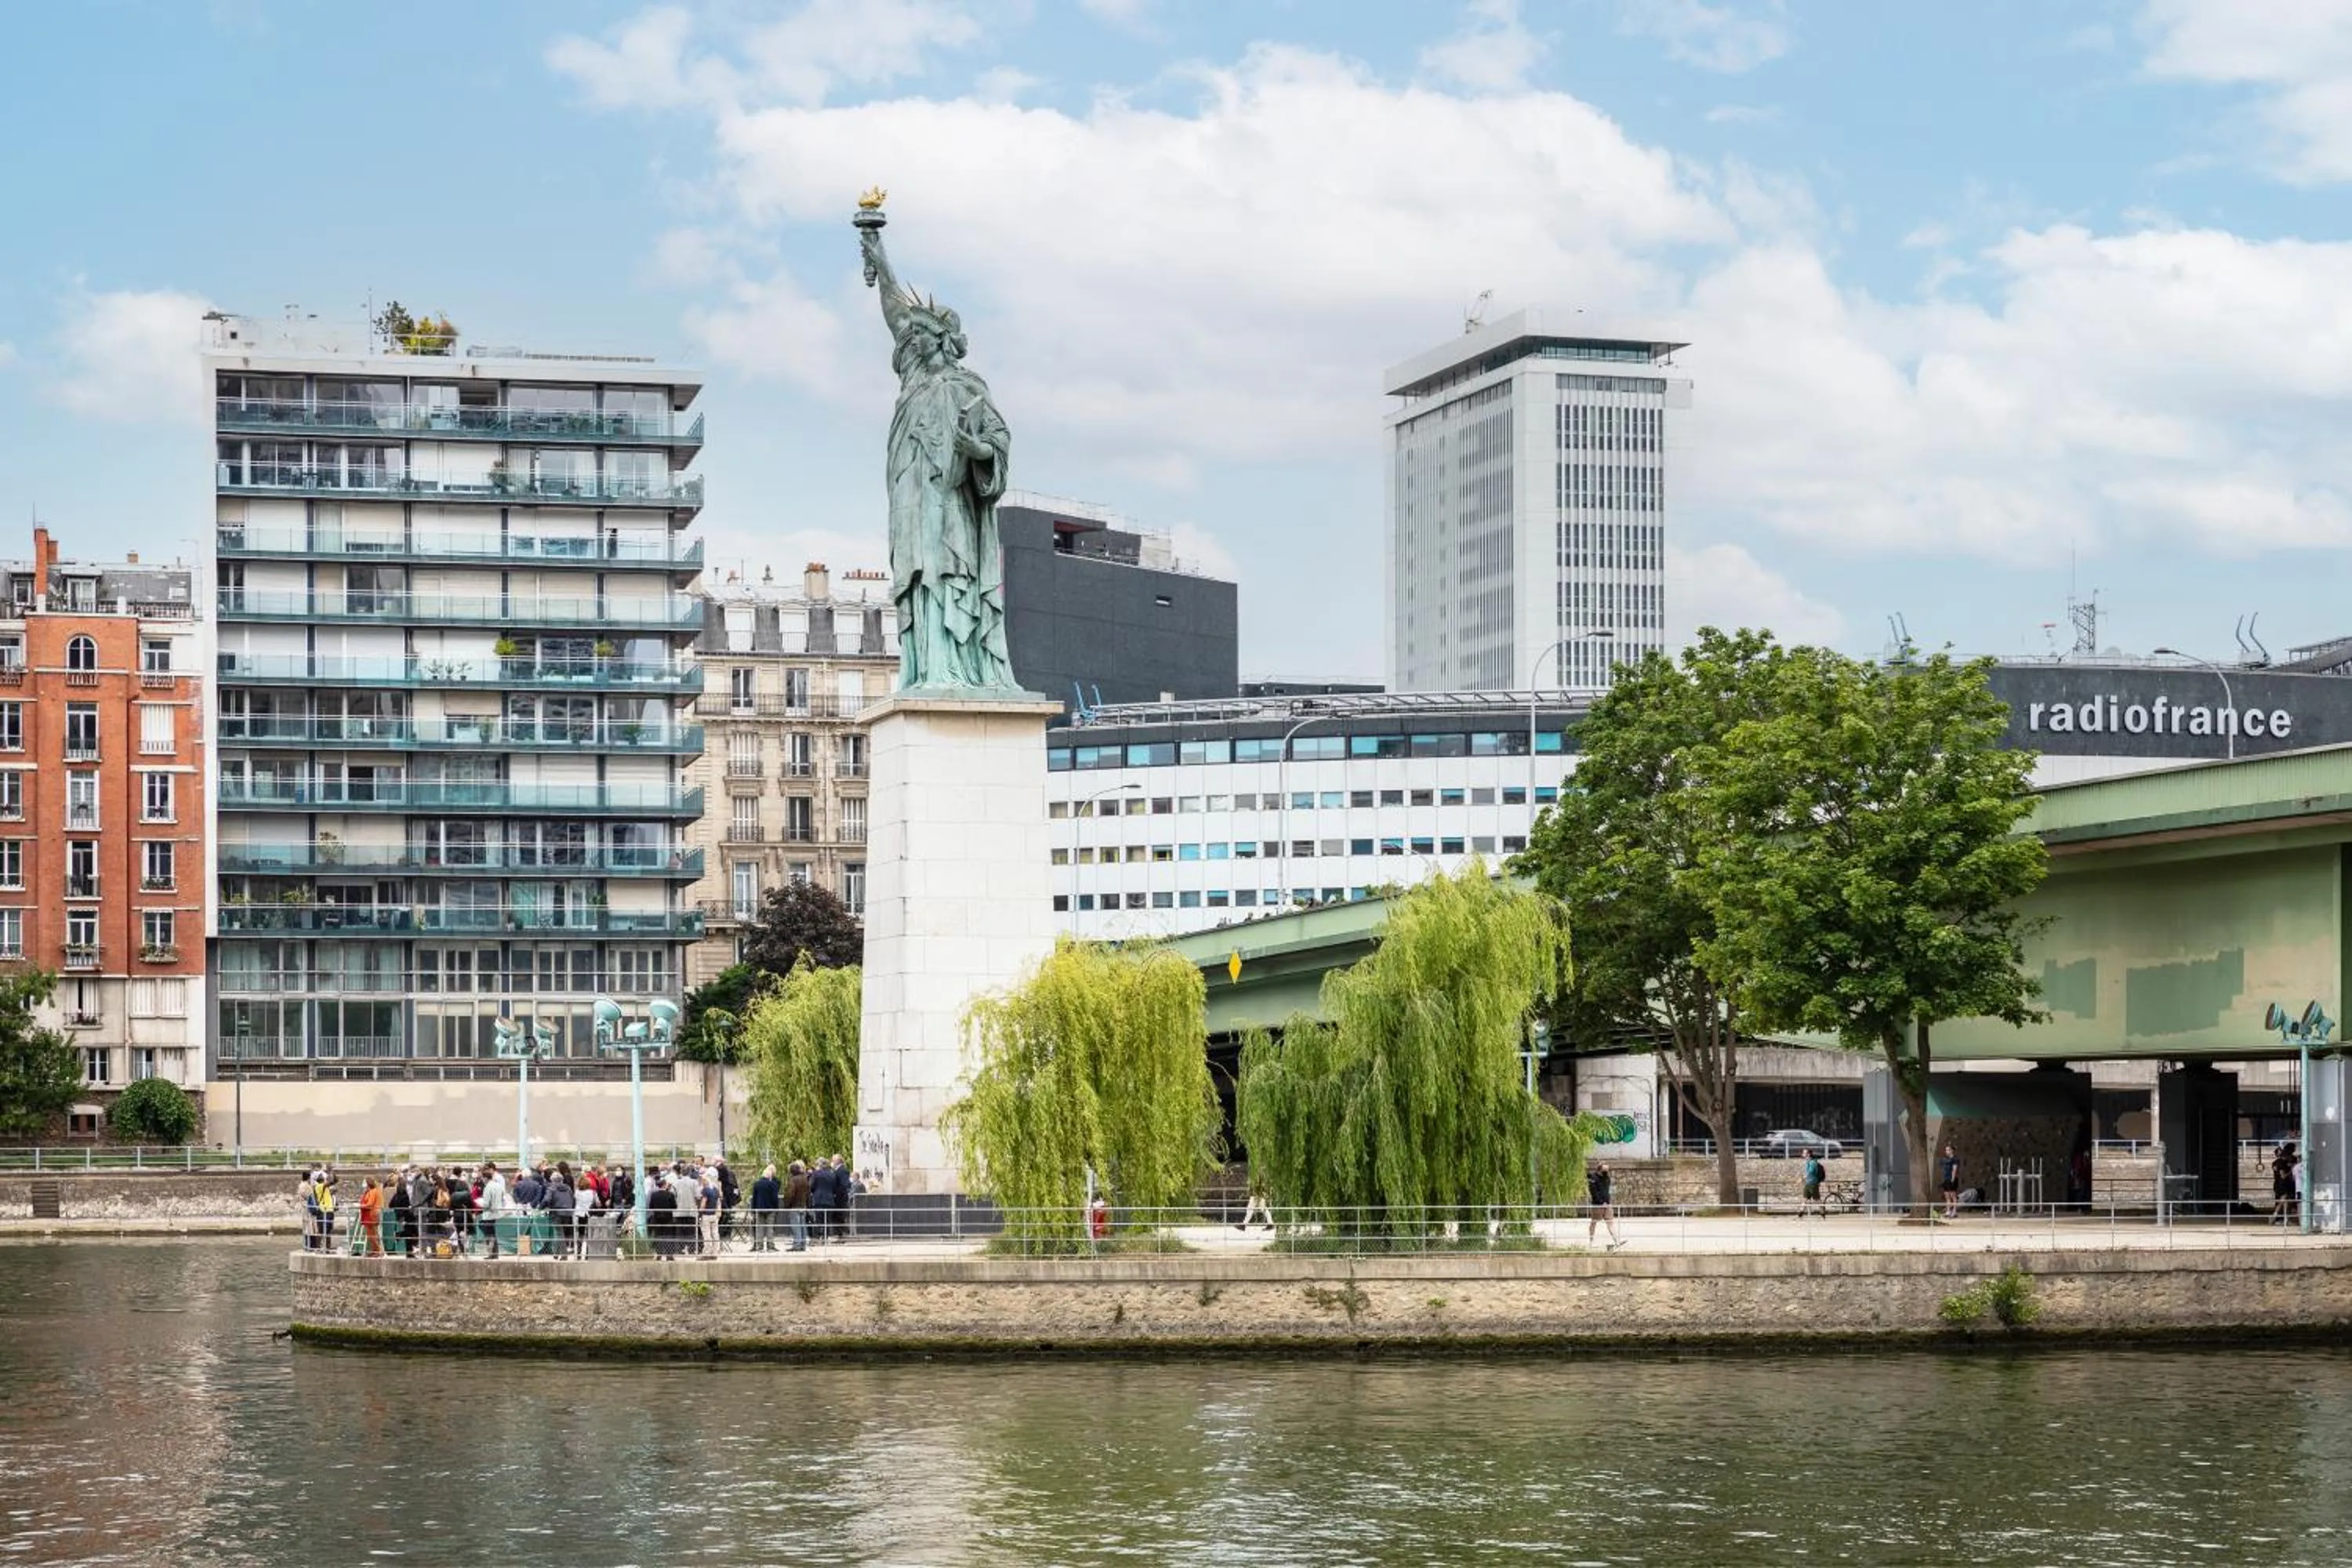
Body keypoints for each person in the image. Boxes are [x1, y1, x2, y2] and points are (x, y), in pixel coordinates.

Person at [1586, 1160, 1624, 1249]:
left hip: (1607, 1204)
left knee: (1610, 1223)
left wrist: (1607, 1202)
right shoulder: (1593, 1178)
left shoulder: (1607, 1178)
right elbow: (1593, 1192)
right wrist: (1601, 1202)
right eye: (1605, 1169)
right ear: (1600, 1169)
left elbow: (1606, 1191)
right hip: (1597, 1205)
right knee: (1594, 1222)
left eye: (1607, 1169)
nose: (1607, 1172)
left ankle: (1616, 1241)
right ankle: (1591, 1242)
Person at [478, 1162, 508, 1259]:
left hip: (489, 1213)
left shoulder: (488, 1188)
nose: (482, 1180)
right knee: (492, 1233)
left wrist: (479, 1203)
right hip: (496, 1213)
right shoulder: (498, 1185)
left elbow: (486, 1204)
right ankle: (495, 1253)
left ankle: (491, 1253)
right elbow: (504, 1196)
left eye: (483, 1178)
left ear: (485, 1178)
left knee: (488, 1233)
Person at [750, 1164, 782, 1252]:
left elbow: (754, 1198)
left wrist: (752, 1210)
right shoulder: (773, 1185)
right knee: (769, 1228)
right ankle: (770, 1246)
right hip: (771, 1209)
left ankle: (759, 1246)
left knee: (759, 1227)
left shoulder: (757, 1184)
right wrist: (776, 1208)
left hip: (759, 1209)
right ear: (770, 1176)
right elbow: (775, 1198)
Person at [784, 1160, 812, 1251]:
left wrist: (787, 1205)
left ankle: (797, 1245)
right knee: (803, 1226)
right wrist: (808, 1205)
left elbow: (790, 1194)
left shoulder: (793, 1180)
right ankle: (803, 1244)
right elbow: (808, 1194)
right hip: (803, 1206)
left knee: (796, 1226)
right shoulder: (805, 1179)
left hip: (795, 1206)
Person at [2274, 1142, 2302, 1226]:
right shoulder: (2279, 1162)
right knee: (2283, 1200)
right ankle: (2276, 1216)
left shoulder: (2292, 1159)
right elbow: (2283, 1176)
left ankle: (2285, 1218)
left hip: (2289, 1184)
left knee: (2287, 1201)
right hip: (2281, 1184)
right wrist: (2292, 1170)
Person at [358, 1177, 384, 1257]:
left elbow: (370, 1204)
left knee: (373, 1234)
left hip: (372, 1215)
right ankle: (375, 1250)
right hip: (369, 1215)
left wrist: (361, 1205)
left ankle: (378, 1251)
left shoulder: (373, 1192)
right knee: (371, 1234)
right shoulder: (370, 1191)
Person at [1939, 1144, 1962, 1219]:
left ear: (1952, 1151)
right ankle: (1948, 1211)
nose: (1947, 1151)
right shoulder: (1945, 1159)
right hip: (1946, 1179)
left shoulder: (1955, 1159)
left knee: (1953, 1196)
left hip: (1952, 1179)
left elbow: (1954, 1169)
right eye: (1946, 1150)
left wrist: (1952, 1179)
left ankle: (1954, 1211)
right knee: (1947, 1195)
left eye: (1948, 1150)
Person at [1801, 1152, 1827, 1218]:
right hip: (1808, 1183)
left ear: (1809, 1155)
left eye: (1805, 1154)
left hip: (1813, 1184)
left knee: (1817, 1199)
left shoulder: (1813, 1163)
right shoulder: (1808, 1162)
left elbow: (1811, 1172)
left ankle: (1822, 1213)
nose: (1803, 1155)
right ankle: (1800, 1214)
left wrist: (1803, 1178)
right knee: (1805, 1199)